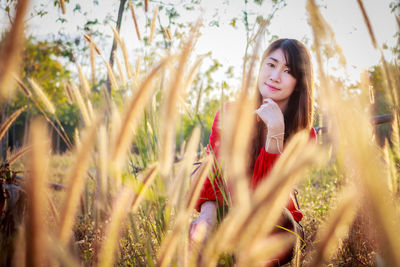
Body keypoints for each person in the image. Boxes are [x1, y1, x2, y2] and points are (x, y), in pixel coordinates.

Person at [189, 38, 316, 266]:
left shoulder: (304, 136)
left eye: (287, 71)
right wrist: (207, 218)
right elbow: (213, 170)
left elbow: (267, 198)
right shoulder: (231, 113)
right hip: (229, 217)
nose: (275, 76)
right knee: (199, 231)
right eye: (271, 64)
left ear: (298, 82)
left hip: (276, 228)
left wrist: (275, 133)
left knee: (277, 218)